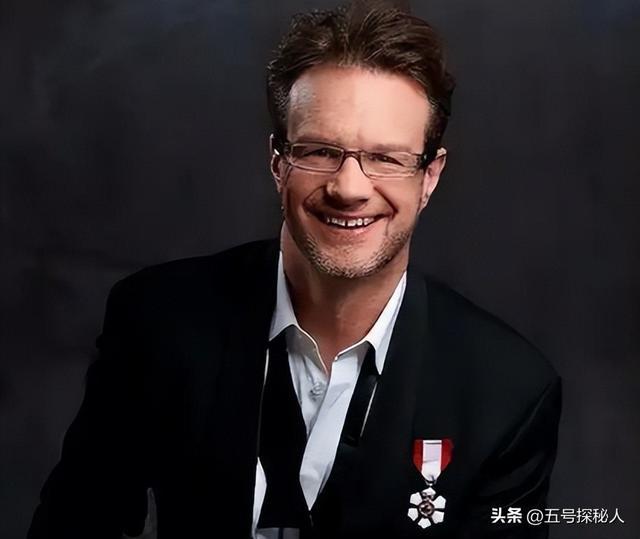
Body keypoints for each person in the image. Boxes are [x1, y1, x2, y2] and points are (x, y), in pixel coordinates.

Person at [28, 1, 561, 538]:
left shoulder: (508, 391)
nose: (349, 188)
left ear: (429, 177)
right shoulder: (158, 323)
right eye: (320, 151)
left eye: (386, 158)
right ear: (278, 162)